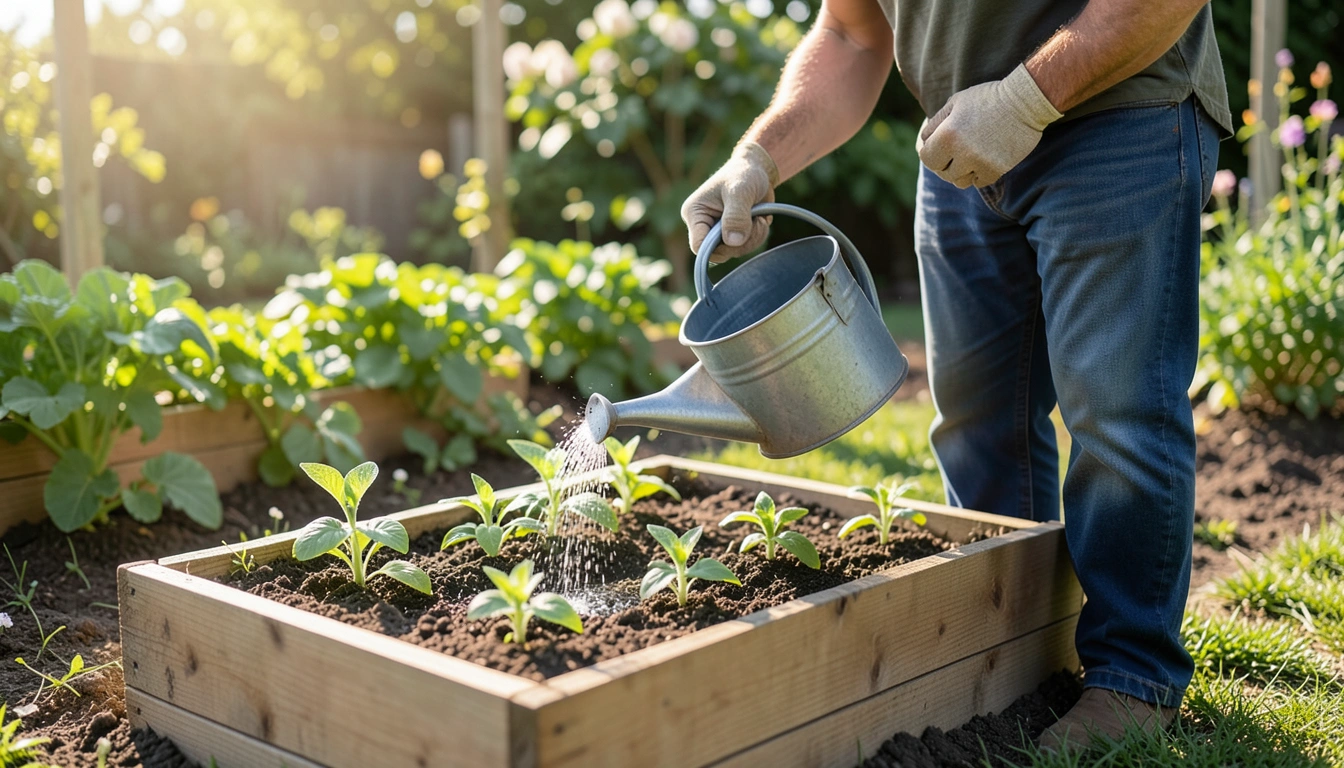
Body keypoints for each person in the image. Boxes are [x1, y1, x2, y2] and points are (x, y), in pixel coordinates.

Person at [681, 0, 1229, 752]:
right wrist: (758, 156)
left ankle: (1133, 677)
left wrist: (1025, 99)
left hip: (1119, 119)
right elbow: (850, 30)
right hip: (962, 150)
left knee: (1116, 417)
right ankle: (1007, 654)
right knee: (978, 421)